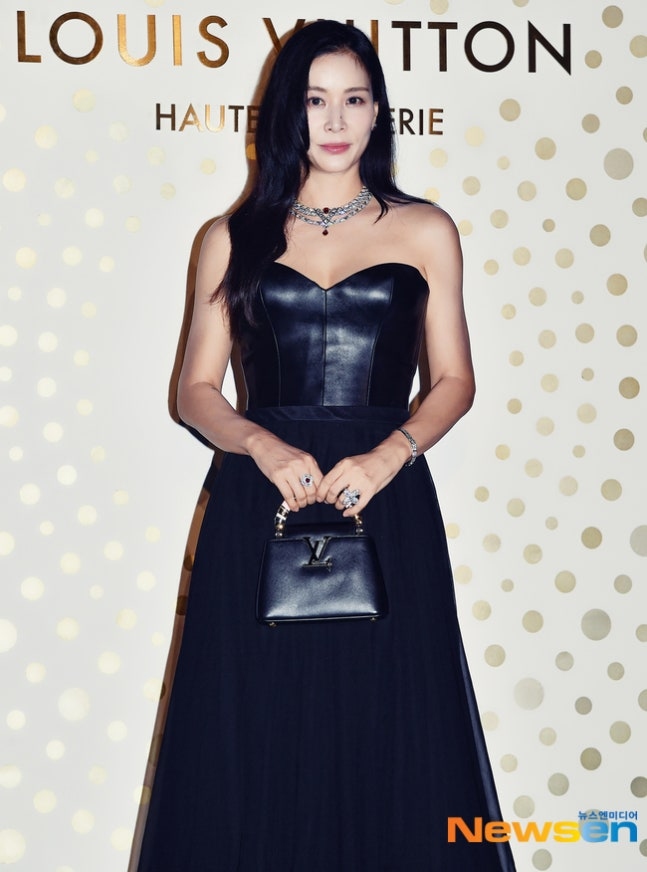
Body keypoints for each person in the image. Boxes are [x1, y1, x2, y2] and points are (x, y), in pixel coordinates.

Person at [134, 19, 517, 872]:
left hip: (383, 500)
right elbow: (194, 390)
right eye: (314, 101)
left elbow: (454, 380)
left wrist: (388, 455)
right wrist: (260, 446)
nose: (335, 120)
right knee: (252, 721)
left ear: (379, 111)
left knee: (392, 718)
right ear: (286, 111)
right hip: (258, 498)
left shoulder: (425, 229)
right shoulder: (230, 235)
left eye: (354, 99)